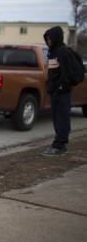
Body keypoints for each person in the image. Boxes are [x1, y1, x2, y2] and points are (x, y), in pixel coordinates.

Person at [42, 26, 71, 156]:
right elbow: (53, 72)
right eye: (47, 39)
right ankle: (58, 143)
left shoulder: (62, 52)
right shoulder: (52, 52)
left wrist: (60, 86)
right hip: (55, 91)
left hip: (62, 92)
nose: (48, 41)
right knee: (57, 118)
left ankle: (60, 145)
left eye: (50, 39)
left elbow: (65, 73)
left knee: (62, 118)